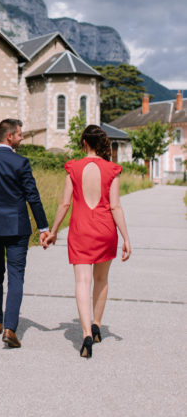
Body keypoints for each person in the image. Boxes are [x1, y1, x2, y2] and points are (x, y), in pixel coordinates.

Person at [44, 124, 131, 358]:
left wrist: (52, 232)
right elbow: (115, 205)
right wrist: (126, 238)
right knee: (101, 280)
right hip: (105, 230)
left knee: (82, 282)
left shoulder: (73, 167)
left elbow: (65, 204)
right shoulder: (112, 169)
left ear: (84, 143)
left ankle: (85, 335)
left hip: (81, 230)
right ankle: (97, 325)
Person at [0, 118, 50, 348]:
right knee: (16, 275)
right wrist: (43, 227)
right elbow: (32, 197)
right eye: (20, 134)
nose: (22, 137)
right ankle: (10, 328)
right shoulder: (21, 163)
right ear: (9, 136)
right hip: (16, 227)